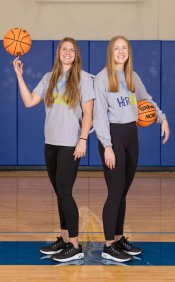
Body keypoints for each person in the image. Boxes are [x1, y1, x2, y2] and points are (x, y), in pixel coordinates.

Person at [13, 37, 95, 262]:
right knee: (60, 193)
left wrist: (83, 139)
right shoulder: (48, 78)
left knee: (65, 192)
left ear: (76, 54)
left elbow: (88, 113)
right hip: (51, 143)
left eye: (71, 50)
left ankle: (75, 246)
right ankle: (64, 238)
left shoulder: (83, 78)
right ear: (58, 53)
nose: (67, 52)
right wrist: (19, 76)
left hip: (71, 144)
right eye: (63, 49)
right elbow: (30, 101)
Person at [93, 35, 170, 262]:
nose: (120, 52)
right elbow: (99, 116)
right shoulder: (101, 78)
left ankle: (118, 238)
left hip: (131, 137)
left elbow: (146, 100)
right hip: (114, 138)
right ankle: (108, 246)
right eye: (116, 48)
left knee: (123, 193)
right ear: (110, 52)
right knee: (115, 192)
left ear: (128, 52)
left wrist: (161, 118)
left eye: (124, 48)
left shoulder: (132, 76)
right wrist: (107, 146)